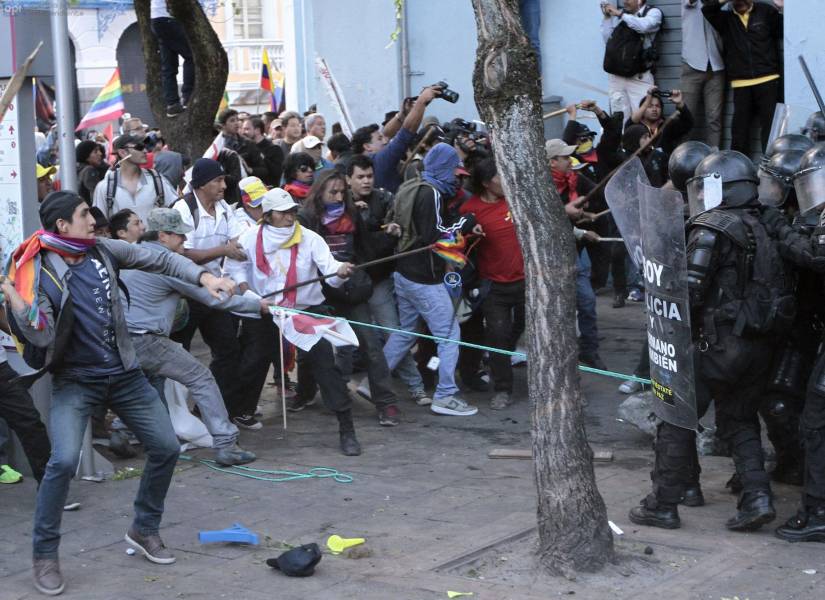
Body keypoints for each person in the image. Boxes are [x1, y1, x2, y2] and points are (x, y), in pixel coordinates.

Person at [3, 190, 233, 595]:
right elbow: (41, 332)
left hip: (125, 375)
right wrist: (15, 301)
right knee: (62, 463)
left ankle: (144, 529)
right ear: (62, 226)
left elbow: (158, 257)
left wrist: (205, 276)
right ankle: (44, 556)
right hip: (76, 381)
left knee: (165, 448)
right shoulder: (38, 269)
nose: (93, 220)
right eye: (83, 214)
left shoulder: (102, 250)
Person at [630, 150, 791, 532]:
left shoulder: (711, 226)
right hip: (757, 345)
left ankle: (663, 503)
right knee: (740, 420)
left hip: (714, 344)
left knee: (675, 418)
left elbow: (690, 290)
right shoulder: (768, 224)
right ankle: (757, 497)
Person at [223, 188, 363, 456]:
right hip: (264, 310)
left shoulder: (310, 239)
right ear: (267, 216)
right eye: (283, 212)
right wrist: (253, 298)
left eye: (292, 212)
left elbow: (330, 269)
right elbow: (235, 271)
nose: (289, 217)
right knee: (250, 365)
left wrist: (341, 272)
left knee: (326, 365)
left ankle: (347, 429)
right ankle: (229, 425)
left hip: (305, 309)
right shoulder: (250, 238)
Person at [123, 208, 262, 463]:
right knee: (201, 378)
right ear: (163, 236)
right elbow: (215, 299)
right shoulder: (166, 262)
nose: (184, 242)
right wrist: (259, 306)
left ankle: (129, 436)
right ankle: (225, 444)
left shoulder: (131, 254)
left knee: (143, 387)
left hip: (121, 340)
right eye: (180, 236)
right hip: (148, 339)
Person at [298, 170, 402, 426]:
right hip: (318, 293)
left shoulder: (353, 214)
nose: (338, 196)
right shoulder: (306, 218)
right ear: (319, 192)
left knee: (371, 346)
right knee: (310, 346)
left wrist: (388, 235)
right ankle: (305, 392)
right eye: (332, 192)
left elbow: (367, 246)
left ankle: (386, 402)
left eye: (341, 191)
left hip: (350, 290)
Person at [382, 143, 479, 416]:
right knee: (449, 335)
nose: (456, 177)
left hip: (403, 271)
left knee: (406, 330)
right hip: (425, 277)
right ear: (442, 168)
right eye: (453, 171)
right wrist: (466, 222)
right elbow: (435, 235)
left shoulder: (411, 186)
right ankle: (445, 395)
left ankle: (375, 383)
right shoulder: (432, 193)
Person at [345, 154, 430, 406]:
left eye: (369, 176)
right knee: (344, 345)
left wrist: (389, 230)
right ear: (349, 179)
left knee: (393, 335)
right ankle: (336, 394)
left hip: (378, 280)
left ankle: (415, 388)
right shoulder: (339, 203)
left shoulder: (385, 199)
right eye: (360, 177)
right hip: (348, 284)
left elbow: (395, 230)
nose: (366, 181)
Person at [171, 159, 248, 421]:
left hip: (214, 291)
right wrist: (224, 250)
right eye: (218, 181)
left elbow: (239, 239)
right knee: (176, 354)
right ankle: (173, 414)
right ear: (202, 184)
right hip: (185, 292)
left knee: (228, 351)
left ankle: (209, 412)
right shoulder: (183, 209)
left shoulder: (224, 209)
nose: (224, 186)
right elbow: (183, 253)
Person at [459, 158, 525, 410]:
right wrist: (468, 235)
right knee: (497, 335)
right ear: (486, 183)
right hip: (493, 287)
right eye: (500, 177)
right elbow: (458, 247)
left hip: (526, 283)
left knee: (519, 330)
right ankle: (503, 388)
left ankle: (504, 360)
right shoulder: (470, 210)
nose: (506, 180)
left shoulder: (516, 200)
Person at [546, 138, 606, 371]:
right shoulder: (541, 188)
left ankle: (589, 352)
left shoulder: (575, 179)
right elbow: (549, 222)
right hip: (549, 257)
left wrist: (585, 214)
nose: (570, 161)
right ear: (552, 162)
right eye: (564, 158)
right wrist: (580, 231)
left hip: (573, 254)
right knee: (556, 310)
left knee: (588, 302)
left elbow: (595, 196)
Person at [701, 0, 784, 155]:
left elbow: (785, 28)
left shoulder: (765, 11)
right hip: (741, 83)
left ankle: (772, 167)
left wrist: (783, 9)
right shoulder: (725, 19)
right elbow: (707, 10)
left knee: (771, 129)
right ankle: (739, 171)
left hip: (769, 79)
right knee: (740, 132)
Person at [350, 85, 444, 193]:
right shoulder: (379, 161)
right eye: (379, 139)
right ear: (367, 146)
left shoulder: (355, 163)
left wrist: (403, 114)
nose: (386, 141)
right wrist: (421, 101)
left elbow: (387, 133)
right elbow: (406, 133)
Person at [93, 132, 178, 222]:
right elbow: (100, 224)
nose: (145, 151)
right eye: (139, 147)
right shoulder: (105, 187)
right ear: (123, 152)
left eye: (145, 147)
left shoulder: (157, 180)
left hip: (155, 236)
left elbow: (177, 209)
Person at [600, 0, 663, 117]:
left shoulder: (653, 13)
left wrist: (620, 15)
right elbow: (607, 40)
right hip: (616, 77)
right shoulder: (620, 14)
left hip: (639, 78)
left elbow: (643, 26)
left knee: (644, 117)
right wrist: (607, 17)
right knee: (619, 119)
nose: (624, 1)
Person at [680, 0, 725, 148]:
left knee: (714, 118)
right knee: (687, 116)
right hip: (693, 63)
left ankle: (714, 159)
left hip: (716, 64)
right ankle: (682, 159)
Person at [150, 0, 193, 117]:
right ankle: (188, 95)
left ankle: (172, 103)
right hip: (168, 19)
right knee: (191, 57)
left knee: (168, 66)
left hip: (157, 19)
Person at [241, 116, 284, 187]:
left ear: (257, 130)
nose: (243, 132)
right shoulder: (244, 149)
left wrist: (263, 157)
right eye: (243, 129)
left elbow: (277, 172)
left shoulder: (274, 149)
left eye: (247, 129)